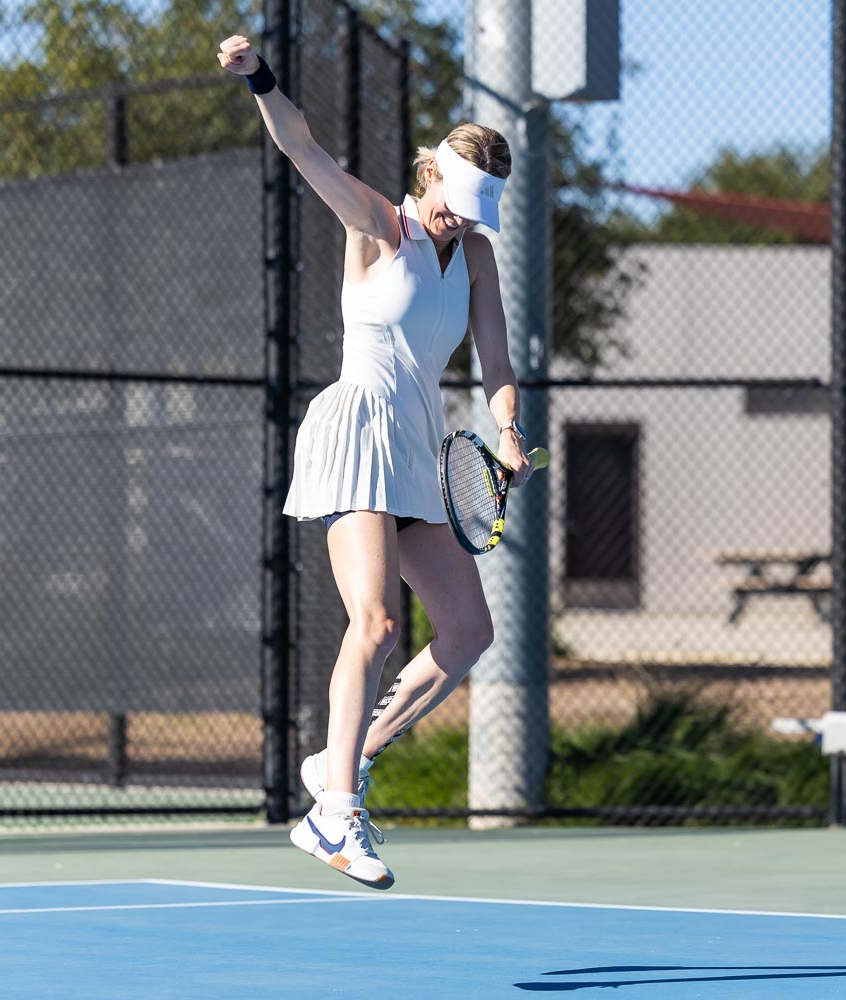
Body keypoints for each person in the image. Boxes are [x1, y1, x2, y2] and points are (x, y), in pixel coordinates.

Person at [218, 34, 533, 889]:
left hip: (419, 451)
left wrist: (508, 429)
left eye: (476, 209)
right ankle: (335, 814)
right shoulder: (377, 222)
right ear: (430, 174)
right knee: (379, 625)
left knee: (467, 632)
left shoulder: (475, 256)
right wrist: (261, 79)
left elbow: (497, 364)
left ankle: (341, 761)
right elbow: (303, 147)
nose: (460, 218)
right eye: (455, 200)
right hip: (357, 433)